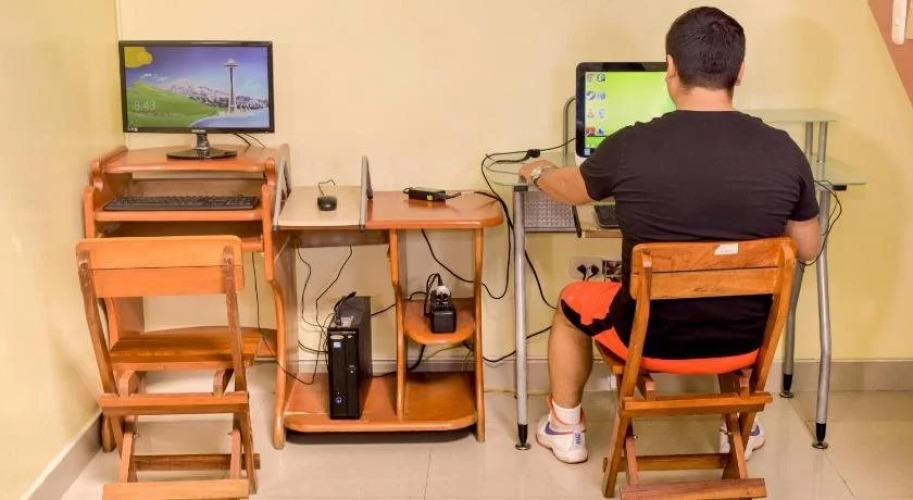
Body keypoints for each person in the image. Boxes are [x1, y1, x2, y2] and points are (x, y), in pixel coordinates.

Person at [519, 6, 823, 464]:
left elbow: (570, 190)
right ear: (740, 71)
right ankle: (740, 424)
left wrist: (539, 170)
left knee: (570, 303)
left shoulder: (629, 145)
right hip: (745, 339)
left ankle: (565, 428)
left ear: (671, 68)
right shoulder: (784, 150)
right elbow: (808, 248)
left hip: (649, 339)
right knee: (742, 295)